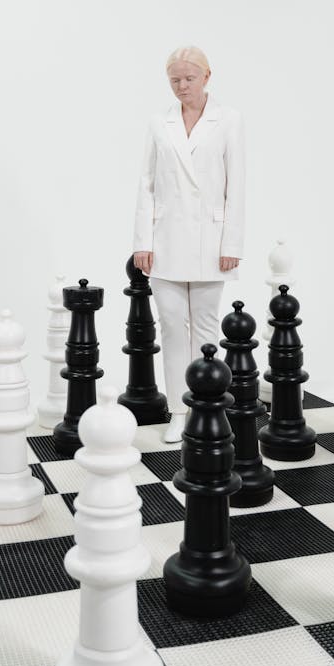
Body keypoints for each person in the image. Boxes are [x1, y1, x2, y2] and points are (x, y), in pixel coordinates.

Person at [133, 46, 245, 441]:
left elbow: (237, 186)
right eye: (174, 80)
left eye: (189, 78)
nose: (182, 86)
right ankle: (178, 410)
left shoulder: (228, 120)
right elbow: (146, 185)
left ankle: (206, 406)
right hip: (165, 240)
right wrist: (141, 241)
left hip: (211, 241)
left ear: (207, 76)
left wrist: (232, 241)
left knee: (205, 327)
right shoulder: (158, 122)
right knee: (171, 326)